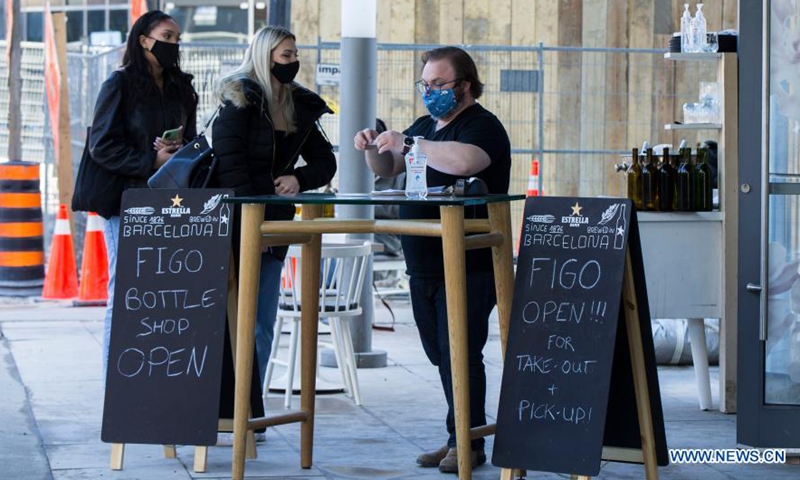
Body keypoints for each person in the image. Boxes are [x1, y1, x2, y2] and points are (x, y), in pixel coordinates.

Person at [354, 46, 511, 473]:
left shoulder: (483, 126)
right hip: (422, 261)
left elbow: (465, 162)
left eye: (440, 85)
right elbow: (388, 168)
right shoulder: (425, 126)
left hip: (468, 263)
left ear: (465, 85)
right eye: (426, 85)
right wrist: (372, 145)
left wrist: (410, 142)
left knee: (461, 352)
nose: (431, 92)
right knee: (440, 354)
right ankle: (457, 433)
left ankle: (469, 443)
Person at [71, 10, 198, 377]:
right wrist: (149, 159)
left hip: (170, 201)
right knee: (127, 290)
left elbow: (188, 138)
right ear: (143, 39)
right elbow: (101, 145)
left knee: (163, 295)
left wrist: (176, 149)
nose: (173, 44)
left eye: (177, 38)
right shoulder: (119, 84)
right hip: (126, 200)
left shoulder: (182, 87)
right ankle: (118, 381)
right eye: (166, 36)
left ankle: (154, 372)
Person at [212, 25, 337, 390]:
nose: (293, 62)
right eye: (286, 56)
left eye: (296, 56)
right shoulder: (239, 100)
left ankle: (250, 405)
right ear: (265, 57)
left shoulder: (298, 104)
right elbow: (229, 164)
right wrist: (256, 221)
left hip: (274, 225)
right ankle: (220, 405)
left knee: (261, 321)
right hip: (234, 222)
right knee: (227, 318)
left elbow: (325, 162)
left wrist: (298, 179)